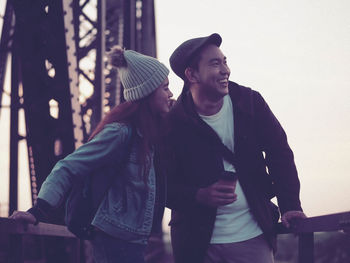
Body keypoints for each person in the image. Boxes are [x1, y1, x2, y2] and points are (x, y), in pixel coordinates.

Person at [9, 46, 173, 263]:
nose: (171, 94)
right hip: (114, 242)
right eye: (165, 88)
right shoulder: (120, 133)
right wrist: (38, 211)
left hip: (133, 242)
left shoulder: (147, 137)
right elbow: (67, 167)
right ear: (147, 93)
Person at [163, 33, 306, 263]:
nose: (225, 70)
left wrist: (290, 205)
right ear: (191, 74)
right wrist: (198, 195)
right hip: (196, 246)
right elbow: (161, 182)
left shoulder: (249, 102)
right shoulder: (174, 121)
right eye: (215, 63)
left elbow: (279, 153)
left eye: (225, 61)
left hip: (253, 237)